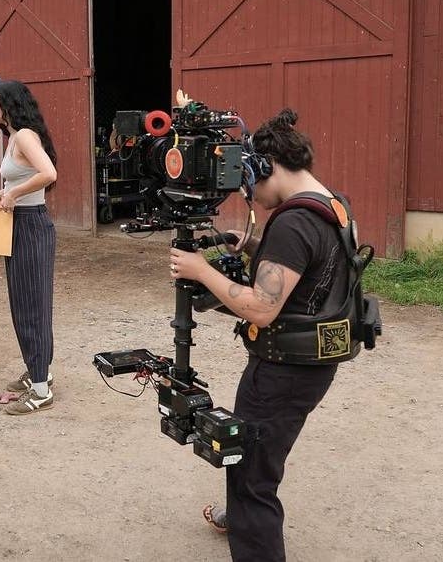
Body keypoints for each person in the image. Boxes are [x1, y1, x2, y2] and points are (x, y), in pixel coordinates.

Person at [168, 108, 354, 561]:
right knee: (262, 451)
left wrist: (200, 271)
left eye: (249, 178)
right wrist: (251, 245)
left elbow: (261, 308)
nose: (248, 191)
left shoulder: (292, 223)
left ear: (268, 166)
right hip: (313, 363)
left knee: (251, 475)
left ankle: (248, 522)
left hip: (281, 372)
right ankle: (236, 513)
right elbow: (313, 270)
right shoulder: (330, 203)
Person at [0, 80, 58, 416]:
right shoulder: (14, 136)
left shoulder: (26, 135)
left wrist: (12, 195)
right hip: (16, 224)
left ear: (10, 104)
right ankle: (37, 370)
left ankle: (42, 389)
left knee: (33, 305)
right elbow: (18, 180)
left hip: (31, 225)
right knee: (22, 303)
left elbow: (49, 173)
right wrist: (4, 193)